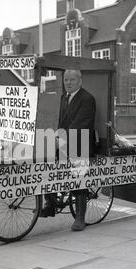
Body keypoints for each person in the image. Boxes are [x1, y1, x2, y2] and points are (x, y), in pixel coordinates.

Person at [40, 69, 96, 231]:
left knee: (78, 178)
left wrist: (61, 140)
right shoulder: (64, 97)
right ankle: (50, 203)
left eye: (72, 80)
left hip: (81, 143)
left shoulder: (87, 99)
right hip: (63, 141)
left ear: (80, 81)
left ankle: (80, 218)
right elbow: (59, 120)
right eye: (66, 80)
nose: (68, 83)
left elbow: (80, 124)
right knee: (49, 168)